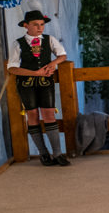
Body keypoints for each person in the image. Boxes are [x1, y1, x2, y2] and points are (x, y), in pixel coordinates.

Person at [8, 9, 70, 166]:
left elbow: (62, 55)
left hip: (45, 82)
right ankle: (43, 154)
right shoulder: (18, 43)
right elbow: (12, 68)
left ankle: (57, 153)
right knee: (33, 115)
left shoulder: (49, 39)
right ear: (26, 25)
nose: (40, 28)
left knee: (49, 113)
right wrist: (34, 73)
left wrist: (53, 63)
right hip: (26, 83)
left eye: (42, 24)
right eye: (35, 25)